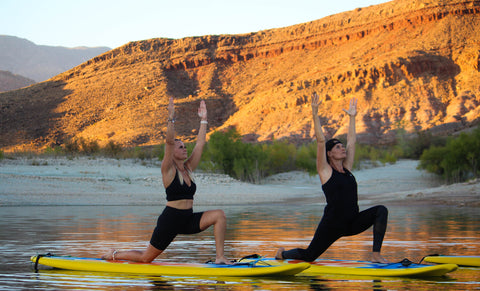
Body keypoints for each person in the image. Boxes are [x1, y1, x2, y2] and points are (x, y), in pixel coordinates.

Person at [102, 97, 230, 264]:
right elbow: (169, 142)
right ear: (173, 152)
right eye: (181, 147)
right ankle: (114, 255)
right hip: (170, 219)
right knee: (145, 258)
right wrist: (171, 118)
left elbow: (199, 144)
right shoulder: (168, 170)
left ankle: (220, 257)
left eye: (185, 146)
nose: (184, 149)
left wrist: (204, 120)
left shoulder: (188, 169)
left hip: (187, 219)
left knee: (219, 215)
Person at [275, 92, 389, 263]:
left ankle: (376, 255)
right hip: (332, 225)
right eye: (337, 147)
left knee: (381, 210)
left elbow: (352, 141)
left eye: (342, 147)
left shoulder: (347, 169)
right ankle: (281, 254)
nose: (343, 149)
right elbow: (321, 141)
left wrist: (352, 118)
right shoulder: (325, 171)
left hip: (352, 222)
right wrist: (315, 114)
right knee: (309, 256)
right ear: (329, 153)